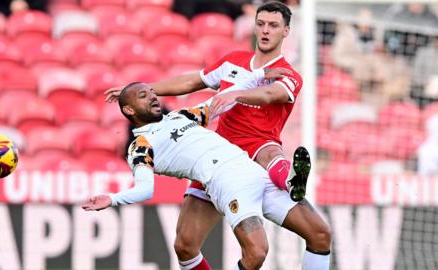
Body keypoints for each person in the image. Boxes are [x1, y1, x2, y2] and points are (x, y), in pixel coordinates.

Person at [104, 2, 331, 269]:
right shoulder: (232, 61)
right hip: (215, 159)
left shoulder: (288, 74)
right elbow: (192, 81)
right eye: (261, 24)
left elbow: (272, 94)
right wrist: (140, 90)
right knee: (184, 244)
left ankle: (290, 180)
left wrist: (237, 93)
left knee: (319, 234)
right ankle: (289, 179)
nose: (266, 31)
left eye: (274, 25)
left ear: (286, 31)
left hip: (259, 157)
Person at [83, 82, 329, 270]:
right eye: (143, 95)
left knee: (320, 234)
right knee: (256, 253)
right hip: (227, 182)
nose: (153, 96)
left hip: (253, 170)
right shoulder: (141, 146)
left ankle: (286, 178)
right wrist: (113, 199)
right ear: (128, 109)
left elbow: (222, 101)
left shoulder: (182, 116)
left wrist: (261, 76)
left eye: (152, 92)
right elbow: (145, 189)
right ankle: (285, 175)